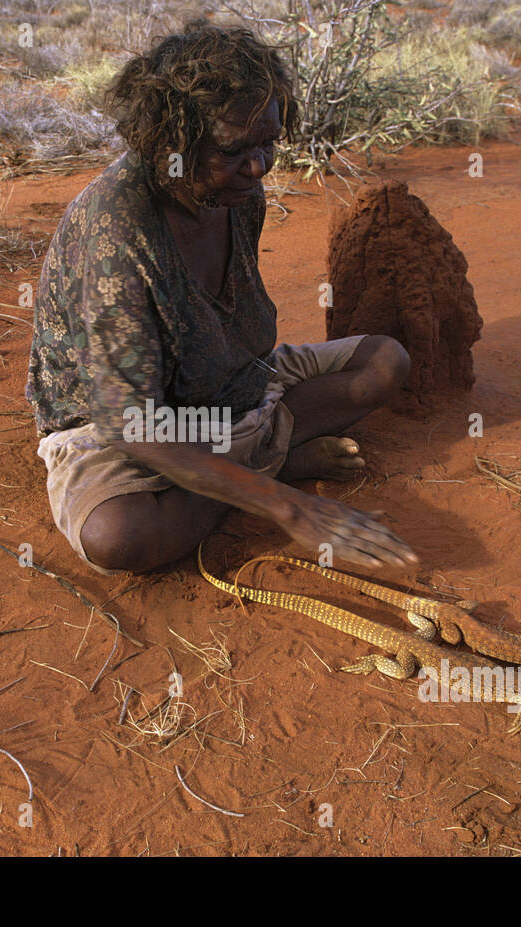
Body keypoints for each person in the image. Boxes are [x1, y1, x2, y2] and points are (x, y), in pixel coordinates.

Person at [26, 21, 418, 575]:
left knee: (384, 362)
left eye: (269, 143)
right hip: (125, 417)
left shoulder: (237, 193)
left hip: (234, 381)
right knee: (120, 538)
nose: (259, 167)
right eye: (235, 150)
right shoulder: (117, 231)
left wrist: (243, 395)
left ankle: (236, 467)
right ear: (172, 141)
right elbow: (129, 422)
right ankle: (258, 469)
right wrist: (291, 508)